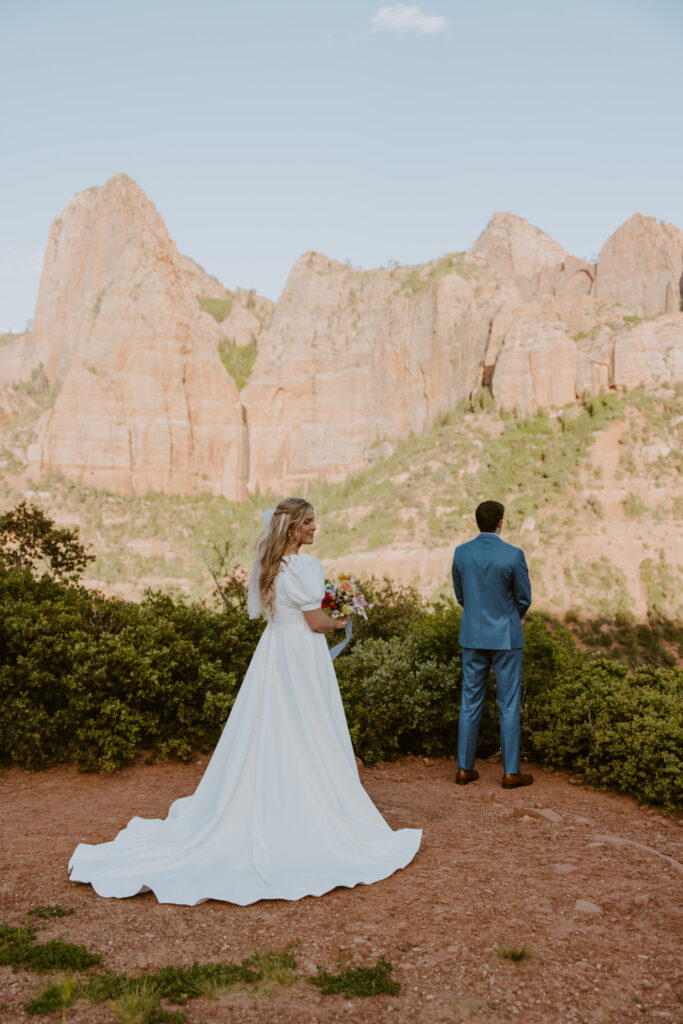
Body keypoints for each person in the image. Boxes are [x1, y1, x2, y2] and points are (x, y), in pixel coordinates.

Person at [68, 498, 421, 905]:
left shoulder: (272, 565)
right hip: (301, 656)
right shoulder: (307, 566)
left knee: (273, 726)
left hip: (275, 653)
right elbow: (314, 621)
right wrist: (343, 620)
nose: (314, 528)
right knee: (308, 725)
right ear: (290, 528)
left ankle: (276, 797)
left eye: (313, 522)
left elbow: (283, 613)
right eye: (307, 522)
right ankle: (309, 807)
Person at [451, 500, 533, 790]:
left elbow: (461, 596)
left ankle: (464, 768)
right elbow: (524, 598)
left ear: (478, 522)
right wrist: (509, 617)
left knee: (469, 701)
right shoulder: (513, 555)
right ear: (501, 522)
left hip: (472, 635)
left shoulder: (461, 553)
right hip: (506, 637)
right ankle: (511, 773)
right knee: (508, 704)